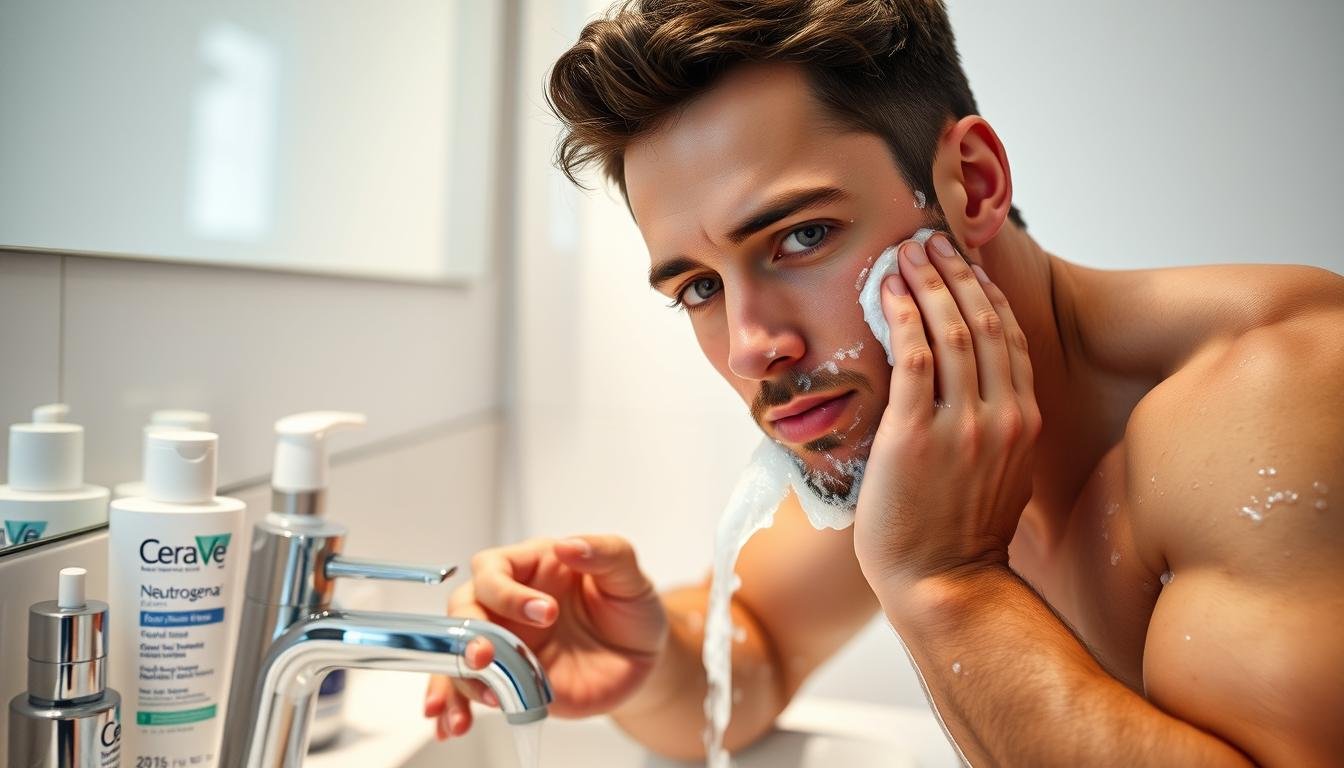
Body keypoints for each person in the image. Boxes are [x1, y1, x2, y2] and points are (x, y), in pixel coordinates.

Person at [424, 1, 1344, 764]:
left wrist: (947, 582)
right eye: (699, 288)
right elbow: (759, 652)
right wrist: (649, 658)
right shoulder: (913, 420)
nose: (752, 346)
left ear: (973, 184)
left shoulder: (1272, 389)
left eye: (801, 236)